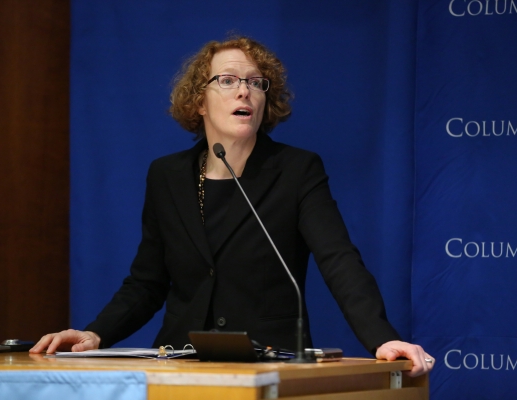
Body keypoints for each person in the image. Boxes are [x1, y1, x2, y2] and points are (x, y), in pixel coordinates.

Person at [30, 36, 435, 376]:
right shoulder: (167, 176)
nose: (244, 90)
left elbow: (339, 261)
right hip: (179, 363)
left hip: (269, 364)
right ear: (199, 102)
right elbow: (147, 281)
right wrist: (96, 333)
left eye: (257, 83)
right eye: (227, 80)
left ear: (265, 102)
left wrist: (382, 338)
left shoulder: (295, 170)